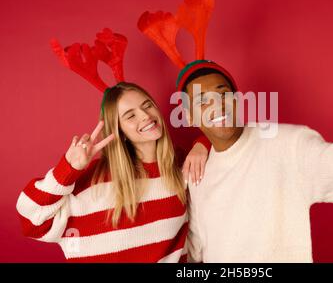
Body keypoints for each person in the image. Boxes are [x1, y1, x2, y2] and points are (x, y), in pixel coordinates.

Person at [137, 0, 333, 262]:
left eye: (222, 93)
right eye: (202, 101)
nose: (216, 105)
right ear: (189, 116)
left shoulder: (286, 144)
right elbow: (198, 248)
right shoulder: (197, 173)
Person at [16, 29, 210, 262]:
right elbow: (32, 222)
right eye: (130, 115)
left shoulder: (180, 165)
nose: (145, 116)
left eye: (147, 105)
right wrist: (67, 168)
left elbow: (227, 141)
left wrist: (203, 143)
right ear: (120, 132)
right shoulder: (92, 179)